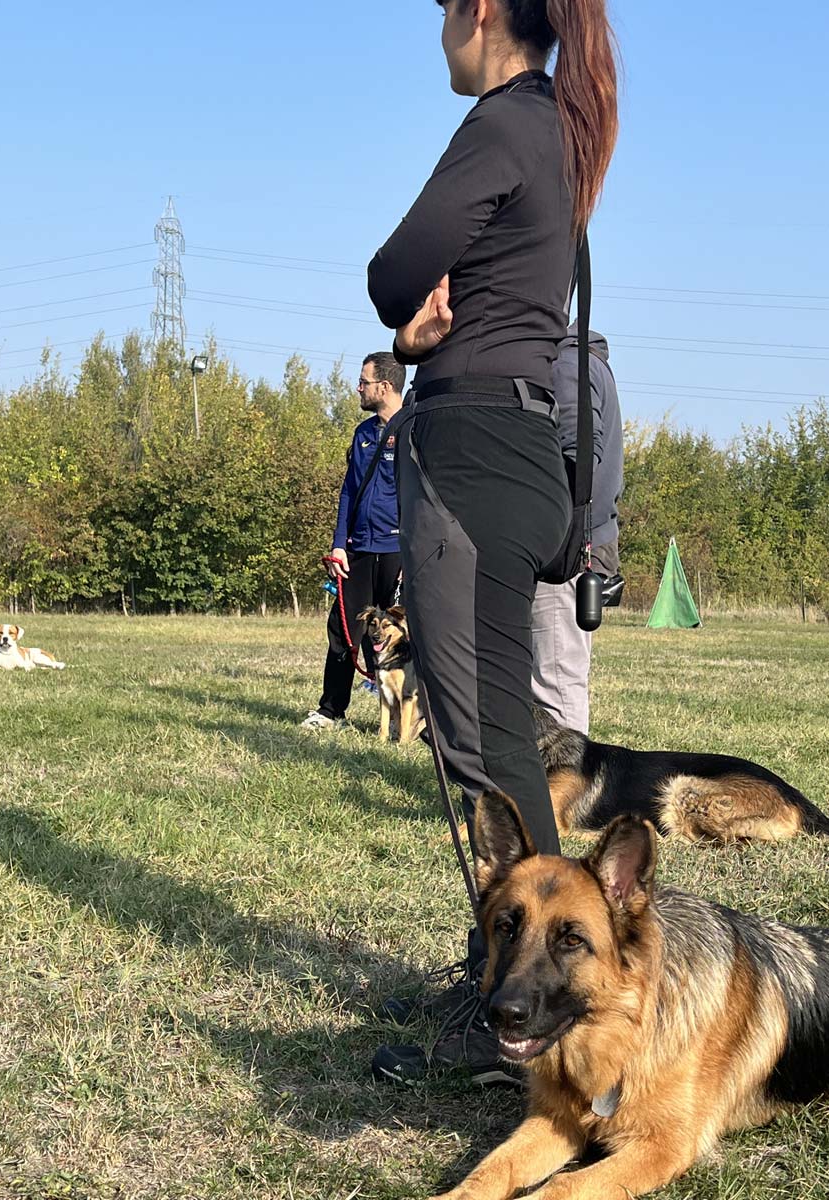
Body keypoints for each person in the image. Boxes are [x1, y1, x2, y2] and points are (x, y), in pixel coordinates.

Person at [366, 0, 619, 1083]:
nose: (438, 33)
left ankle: (529, 1012)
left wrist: (403, 326)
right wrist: (419, 340)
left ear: (479, 11)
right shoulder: (557, 127)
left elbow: (393, 271)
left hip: (472, 457)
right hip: (515, 449)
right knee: (495, 730)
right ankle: (504, 976)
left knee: (485, 745)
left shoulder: (507, 121)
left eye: (441, 11)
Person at [301, 353, 405, 730]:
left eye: (364, 381)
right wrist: (338, 545)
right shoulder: (362, 433)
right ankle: (331, 711)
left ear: (385, 386)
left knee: (400, 635)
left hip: (398, 551)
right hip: (358, 549)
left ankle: (404, 718)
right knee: (343, 629)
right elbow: (349, 491)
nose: (358, 388)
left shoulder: (415, 429)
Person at [531, 325, 623, 733]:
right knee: (555, 670)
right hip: (582, 538)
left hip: (566, 546)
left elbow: (580, 454)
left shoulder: (567, 363)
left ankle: (565, 773)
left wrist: (553, 532)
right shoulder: (582, 361)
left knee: (555, 676)